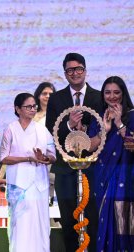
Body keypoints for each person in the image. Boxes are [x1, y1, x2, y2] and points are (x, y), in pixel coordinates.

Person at [46, 52, 102, 252]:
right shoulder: (56, 99)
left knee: (93, 220)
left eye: (78, 69)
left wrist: (86, 132)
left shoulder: (99, 96)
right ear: (65, 74)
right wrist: (69, 124)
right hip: (65, 169)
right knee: (69, 222)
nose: (75, 73)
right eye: (70, 70)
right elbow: (51, 132)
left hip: (94, 169)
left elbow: (104, 129)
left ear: (85, 71)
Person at [0, 93, 56, 252]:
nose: (33, 109)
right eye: (28, 107)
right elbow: (3, 157)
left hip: (38, 185)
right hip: (18, 185)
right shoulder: (10, 129)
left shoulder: (42, 129)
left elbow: (53, 156)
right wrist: (27, 159)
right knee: (20, 226)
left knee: (40, 225)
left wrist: (44, 158)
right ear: (18, 109)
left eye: (34, 106)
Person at [88, 76, 134, 251]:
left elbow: (132, 144)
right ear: (103, 95)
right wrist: (105, 130)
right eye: (108, 92)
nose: (112, 96)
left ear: (123, 94)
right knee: (105, 223)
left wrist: (119, 124)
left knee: (125, 225)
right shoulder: (99, 117)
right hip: (103, 177)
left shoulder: (132, 115)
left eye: (116, 92)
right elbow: (90, 147)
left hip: (126, 178)